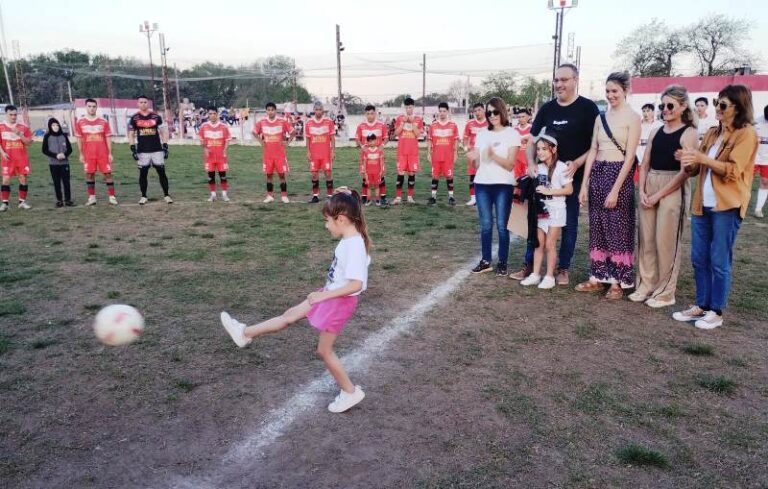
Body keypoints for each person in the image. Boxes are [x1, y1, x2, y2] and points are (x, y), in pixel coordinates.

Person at [220, 188, 371, 413]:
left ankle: (350, 392)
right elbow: (351, 207)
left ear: (341, 219)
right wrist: (347, 194)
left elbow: (356, 284)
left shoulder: (354, 246)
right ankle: (244, 333)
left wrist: (323, 296)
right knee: (289, 315)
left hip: (338, 302)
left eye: (327, 220)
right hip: (331, 294)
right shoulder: (350, 238)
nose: (326, 225)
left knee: (324, 351)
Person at [673, 85, 758, 330]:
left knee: (719, 261)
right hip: (702, 205)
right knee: (699, 258)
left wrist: (702, 158)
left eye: (722, 104)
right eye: (716, 102)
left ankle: (716, 311)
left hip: (727, 206)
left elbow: (733, 170)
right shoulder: (712, 132)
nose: (717, 108)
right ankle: (702, 305)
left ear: (738, 107)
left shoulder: (746, 134)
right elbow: (696, 169)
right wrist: (688, 160)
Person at [510, 64, 600, 284]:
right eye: (556, 80)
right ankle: (530, 265)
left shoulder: (588, 108)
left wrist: (577, 163)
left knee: (568, 224)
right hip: (545, 177)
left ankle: (563, 268)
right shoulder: (547, 109)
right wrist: (532, 163)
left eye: (564, 80)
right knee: (536, 220)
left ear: (575, 80)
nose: (559, 84)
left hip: (572, 177)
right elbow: (532, 140)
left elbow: (596, 144)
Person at [576, 72, 640, 300]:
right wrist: (584, 184)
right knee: (597, 227)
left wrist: (615, 189)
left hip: (619, 175)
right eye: (608, 91)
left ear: (625, 90)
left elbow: (630, 157)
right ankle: (596, 276)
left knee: (618, 229)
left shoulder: (633, 118)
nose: (611, 95)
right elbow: (593, 149)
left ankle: (617, 281)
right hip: (598, 174)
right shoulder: (600, 117)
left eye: (615, 91)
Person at [631, 85, 697, 308]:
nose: (665, 110)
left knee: (665, 241)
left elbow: (685, 172)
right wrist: (642, 190)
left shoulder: (689, 133)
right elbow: (645, 163)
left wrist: (658, 195)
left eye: (670, 105)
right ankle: (646, 284)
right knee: (646, 240)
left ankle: (666, 292)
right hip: (650, 182)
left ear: (683, 107)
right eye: (662, 106)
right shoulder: (656, 131)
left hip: (672, 186)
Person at [467, 97, 520, 276]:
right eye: (489, 112)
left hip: (503, 185)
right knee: (485, 225)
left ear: (502, 111)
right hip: (482, 183)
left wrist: (493, 155)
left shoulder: (511, 134)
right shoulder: (482, 134)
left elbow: (510, 165)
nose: (492, 115)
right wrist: (474, 158)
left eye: (495, 112)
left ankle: (502, 262)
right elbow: (477, 165)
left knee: (502, 226)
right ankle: (486, 260)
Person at [520, 131, 573, 289]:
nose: (540, 152)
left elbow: (569, 190)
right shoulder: (538, 168)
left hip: (556, 211)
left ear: (553, 149)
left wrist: (549, 191)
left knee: (550, 244)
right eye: (538, 149)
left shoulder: (562, 167)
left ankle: (549, 276)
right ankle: (535, 275)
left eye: (544, 149)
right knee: (539, 244)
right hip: (540, 211)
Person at [128, 95, 172, 205]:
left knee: (162, 172)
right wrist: (133, 149)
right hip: (142, 151)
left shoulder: (156, 116)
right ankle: (143, 196)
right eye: (141, 102)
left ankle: (166, 195)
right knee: (143, 174)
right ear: (138, 104)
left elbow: (163, 132)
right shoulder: (134, 118)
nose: (143, 104)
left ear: (148, 103)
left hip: (157, 149)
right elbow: (131, 134)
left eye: (145, 102)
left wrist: (165, 146)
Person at [75, 98, 117, 206]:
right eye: (89, 106)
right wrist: (81, 154)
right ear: (86, 107)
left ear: (96, 107)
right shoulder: (80, 122)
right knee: (89, 174)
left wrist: (110, 153)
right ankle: (92, 198)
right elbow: (79, 139)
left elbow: (108, 137)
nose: (92, 108)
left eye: (94, 106)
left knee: (108, 174)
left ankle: (112, 197)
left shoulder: (103, 121)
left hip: (102, 153)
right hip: (88, 153)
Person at [253, 102, 294, 203]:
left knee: (281, 175)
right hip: (268, 154)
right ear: (266, 111)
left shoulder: (282, 121)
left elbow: (293, 132)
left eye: (272, 110)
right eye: (268, 110)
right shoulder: (262, 122)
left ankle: (284, 196)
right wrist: (261, 141)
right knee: (269, 175)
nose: (270, 112)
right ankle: (269, 196)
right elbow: (254, 132)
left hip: (280, 154)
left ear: (275, 111)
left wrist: (287, 142)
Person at [0, 105, 33, 211]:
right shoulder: (1, 127)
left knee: (23, 179)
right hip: (8, 158)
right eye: (11, 114)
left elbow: (29, 142)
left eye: (15, 114)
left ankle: (22, 202)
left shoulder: (23, 127)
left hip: (21, 158)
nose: (13, 117)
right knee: (5, 179)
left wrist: (19, 134)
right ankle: (5, 203)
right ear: (6, 114)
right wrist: (2, 153)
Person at [355, 104, 389, 204]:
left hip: (378, 156)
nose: (370, 116)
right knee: (365, 176)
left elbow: (386, 138)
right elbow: (357, 139)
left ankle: (382, 197)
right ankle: (365, 197)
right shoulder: (361, 126)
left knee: (380, 175)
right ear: (365, 114)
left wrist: (382, 145)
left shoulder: (381, 125)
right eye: (368, 114)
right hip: (365, 156)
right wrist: (362, 146)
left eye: (372, 113)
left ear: (375, 114)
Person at [427, 102, 459, 205]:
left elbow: (456, 140)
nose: (442, 113)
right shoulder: (433, 125)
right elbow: (429, 140)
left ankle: (451, 197)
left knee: (449, 176)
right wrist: (428, 153)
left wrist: (456, 153)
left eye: (444, 111)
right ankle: (433, 197)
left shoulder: (453, 125)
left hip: (448, 156)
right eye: (440, 111)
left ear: (447, 111)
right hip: (436, 156)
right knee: (435, 176)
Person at [393, 97, 424, 204]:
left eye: (410, 107)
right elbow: (396, 133)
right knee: (400, 173)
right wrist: (403, 123)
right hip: (402, 151)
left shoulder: (418, 119)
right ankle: (398, 197)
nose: (408, 109)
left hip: (412, 152)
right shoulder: (399, 118)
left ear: (413, 107)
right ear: (404, 108)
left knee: (411, 173)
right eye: (406, 107)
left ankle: (410, 197)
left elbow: (418, 134)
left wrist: (411, 123)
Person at [305, 101, 336, 203]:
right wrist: (308, 151)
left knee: (328, 173)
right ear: (314, 110)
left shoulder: (329, 122)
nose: (318, 111)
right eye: (316, 109)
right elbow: (308, 139)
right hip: (314, 154)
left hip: (326, 154)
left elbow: (332, 138)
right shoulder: (309, 123)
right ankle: (315, 196)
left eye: (320, 109)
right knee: (314, 174)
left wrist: (333, 151)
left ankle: (330, 195)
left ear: (323, 110)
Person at [198, 106, 232, 202]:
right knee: (211, 176)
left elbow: (227, 140)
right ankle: (213, 195)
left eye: (214, 113)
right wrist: (205, 148)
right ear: (208, 115)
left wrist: (225, 150)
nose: (212, 115)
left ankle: (224, 195)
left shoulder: (223, 126)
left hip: (221, 156)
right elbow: (201, 140)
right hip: (209, 157)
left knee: (223, 176)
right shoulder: (204, 126)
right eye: (210, 114)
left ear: (217, 114)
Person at [41, 118, 73, 208]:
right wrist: (55, 156)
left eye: (57, 125)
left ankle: (68, 200)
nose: (55, 127)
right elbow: (44, 150)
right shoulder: (47, 136)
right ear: (50, 126)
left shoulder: (64, 135)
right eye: (53, 125)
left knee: (66, 182)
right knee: (56, 182)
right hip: (53, 164)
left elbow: (70, 149)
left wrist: (64, 155)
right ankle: (59, 200)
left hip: (65, 163)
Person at [462, 103, 488, 206]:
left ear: (484, 110)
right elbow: (465, 138)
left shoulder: (490, 122)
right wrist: (466, 149)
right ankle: (473, 198)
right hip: (473, 153)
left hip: (486, 154)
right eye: (475, 111)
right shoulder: (470, 123)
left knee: (486, 176)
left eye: (479, 110)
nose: (477, 112)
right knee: (473, 176)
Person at [637, 103, 663, 183]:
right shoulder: (638, 124)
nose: (645, 113)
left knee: (652, 177)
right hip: (640, 154)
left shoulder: (659, 124)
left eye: (648, 111)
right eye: (644, 111)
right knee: (642, 177)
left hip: (654, 154)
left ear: (653, 112)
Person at [362, 134, 385, 206]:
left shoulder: (379, 151)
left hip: (377, 172)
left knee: (377, 186)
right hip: (368, 172)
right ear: (367, 142)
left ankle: (377, 200)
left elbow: (381, 162)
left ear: (376, 141)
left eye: (373, 141)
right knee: (369, 186)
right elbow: (364, 162)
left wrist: (381, 171)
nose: (371, 142)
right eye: (370, 141)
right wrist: (365, 172)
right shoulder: (366, 151)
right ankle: (369, 200)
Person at [753, 104, 768, 217]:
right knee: (746, 181)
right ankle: (738, 204)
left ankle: (758, 209)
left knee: (765, 182)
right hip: (753, 158)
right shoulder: (756, 123)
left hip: (766, 159)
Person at [513, 108, 533, 180]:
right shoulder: (514, 129)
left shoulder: (532, 128)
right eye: (519, 117)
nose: (521, 119)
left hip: (527, 160)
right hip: (516, 160)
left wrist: (525, 138)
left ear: (528, 117)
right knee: (516, 180)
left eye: (523, 116)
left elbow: (533, 139)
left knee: (526, 180)